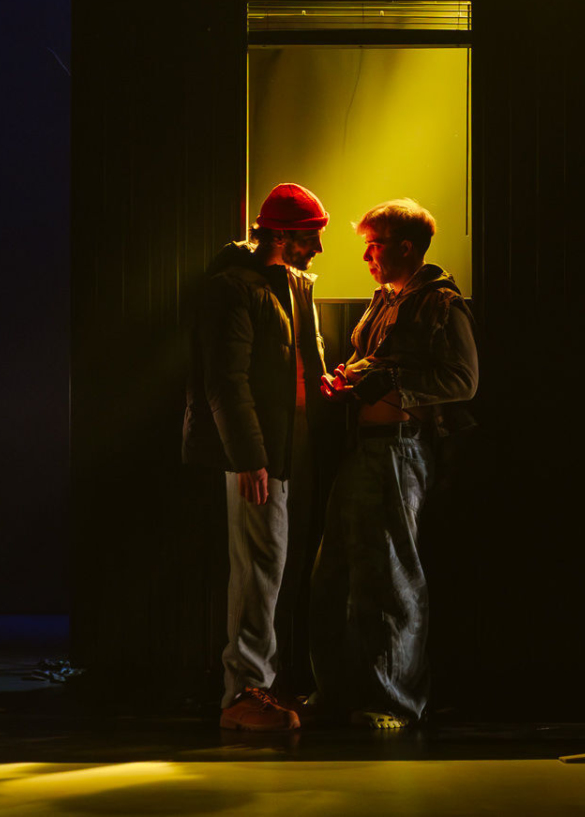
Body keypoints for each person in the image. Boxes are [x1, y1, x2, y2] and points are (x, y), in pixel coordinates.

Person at [308, 197, 478, 730]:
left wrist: (394, 386)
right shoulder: (388, 300)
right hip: (367, 447)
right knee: (336, 574)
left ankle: (395, 702)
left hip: (402, 447)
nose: (367, 258)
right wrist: (354, 376)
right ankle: (337, 692)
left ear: (406, 247)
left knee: (391, 575)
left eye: (374, 246)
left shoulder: (442, 304)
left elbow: (464, 381)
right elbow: (378, 361)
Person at [184, 182, 329, 732]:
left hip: (284, 447)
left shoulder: (286, 286)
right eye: (310, 238)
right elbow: (226, 382)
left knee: (269, 566)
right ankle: (243, 693)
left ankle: (255, 684)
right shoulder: (235, 289)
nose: (317, 249)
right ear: (281, 235)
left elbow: (289, 368)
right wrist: (249, 458)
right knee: (258, 568)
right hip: (259, 454)